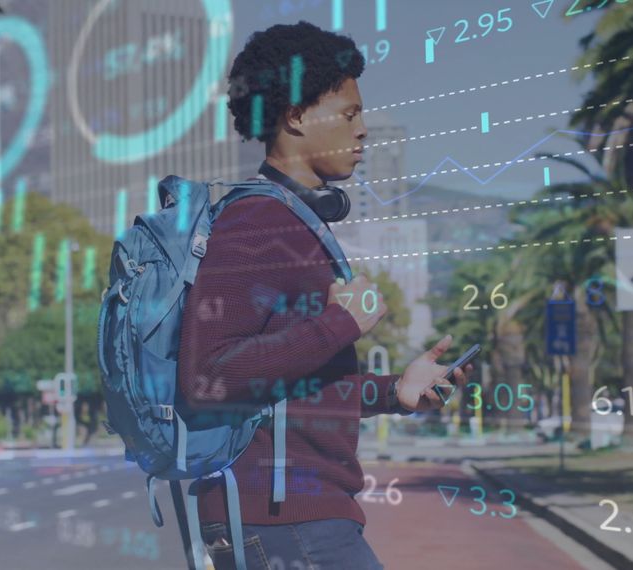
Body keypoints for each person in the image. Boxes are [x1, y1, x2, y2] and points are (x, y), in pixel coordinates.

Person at [177, 21, 472, 570]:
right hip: (285, 524)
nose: (362, 132)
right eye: (349, 114)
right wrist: (341, 324)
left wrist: (394, 392)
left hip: (296, 520)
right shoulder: (257, 222)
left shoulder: (294, 223)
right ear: (295, 116)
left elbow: (292, 392)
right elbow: (206, 376)